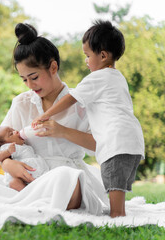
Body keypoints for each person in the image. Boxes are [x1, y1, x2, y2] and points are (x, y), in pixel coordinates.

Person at [0, 22, 109, 215]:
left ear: (53, 67)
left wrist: (62, 131)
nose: (29, 85)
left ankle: (12, 203)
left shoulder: (81, 102)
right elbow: (0, 144)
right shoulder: (21, 102)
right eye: (24, 79)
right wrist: (7, 164)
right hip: (23, 182)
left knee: (64, 178)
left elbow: (101, 144)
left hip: (62, 179)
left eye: (34, 77)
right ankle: (26, 203)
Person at [32, 20, 145, 218]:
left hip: (116, 142)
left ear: (102, 55)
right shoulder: (118, 77)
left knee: (114, 184)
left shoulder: (98, 77)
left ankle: (118, 217)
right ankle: (119, 212)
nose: (85, 61)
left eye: (87, 55)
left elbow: (70, 98)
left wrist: (46, 114)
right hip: (133, 141)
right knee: (118, 186)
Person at [0, 126, 49, 191]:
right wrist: (7, 151)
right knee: (14, 183)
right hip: (20, 176)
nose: (16, 131)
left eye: (13, 130)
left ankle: (32, 191)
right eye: (11, 134)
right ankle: (27, 193)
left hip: (34, 174)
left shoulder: (21, 145)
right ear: (3, 145)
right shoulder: (11, 147)